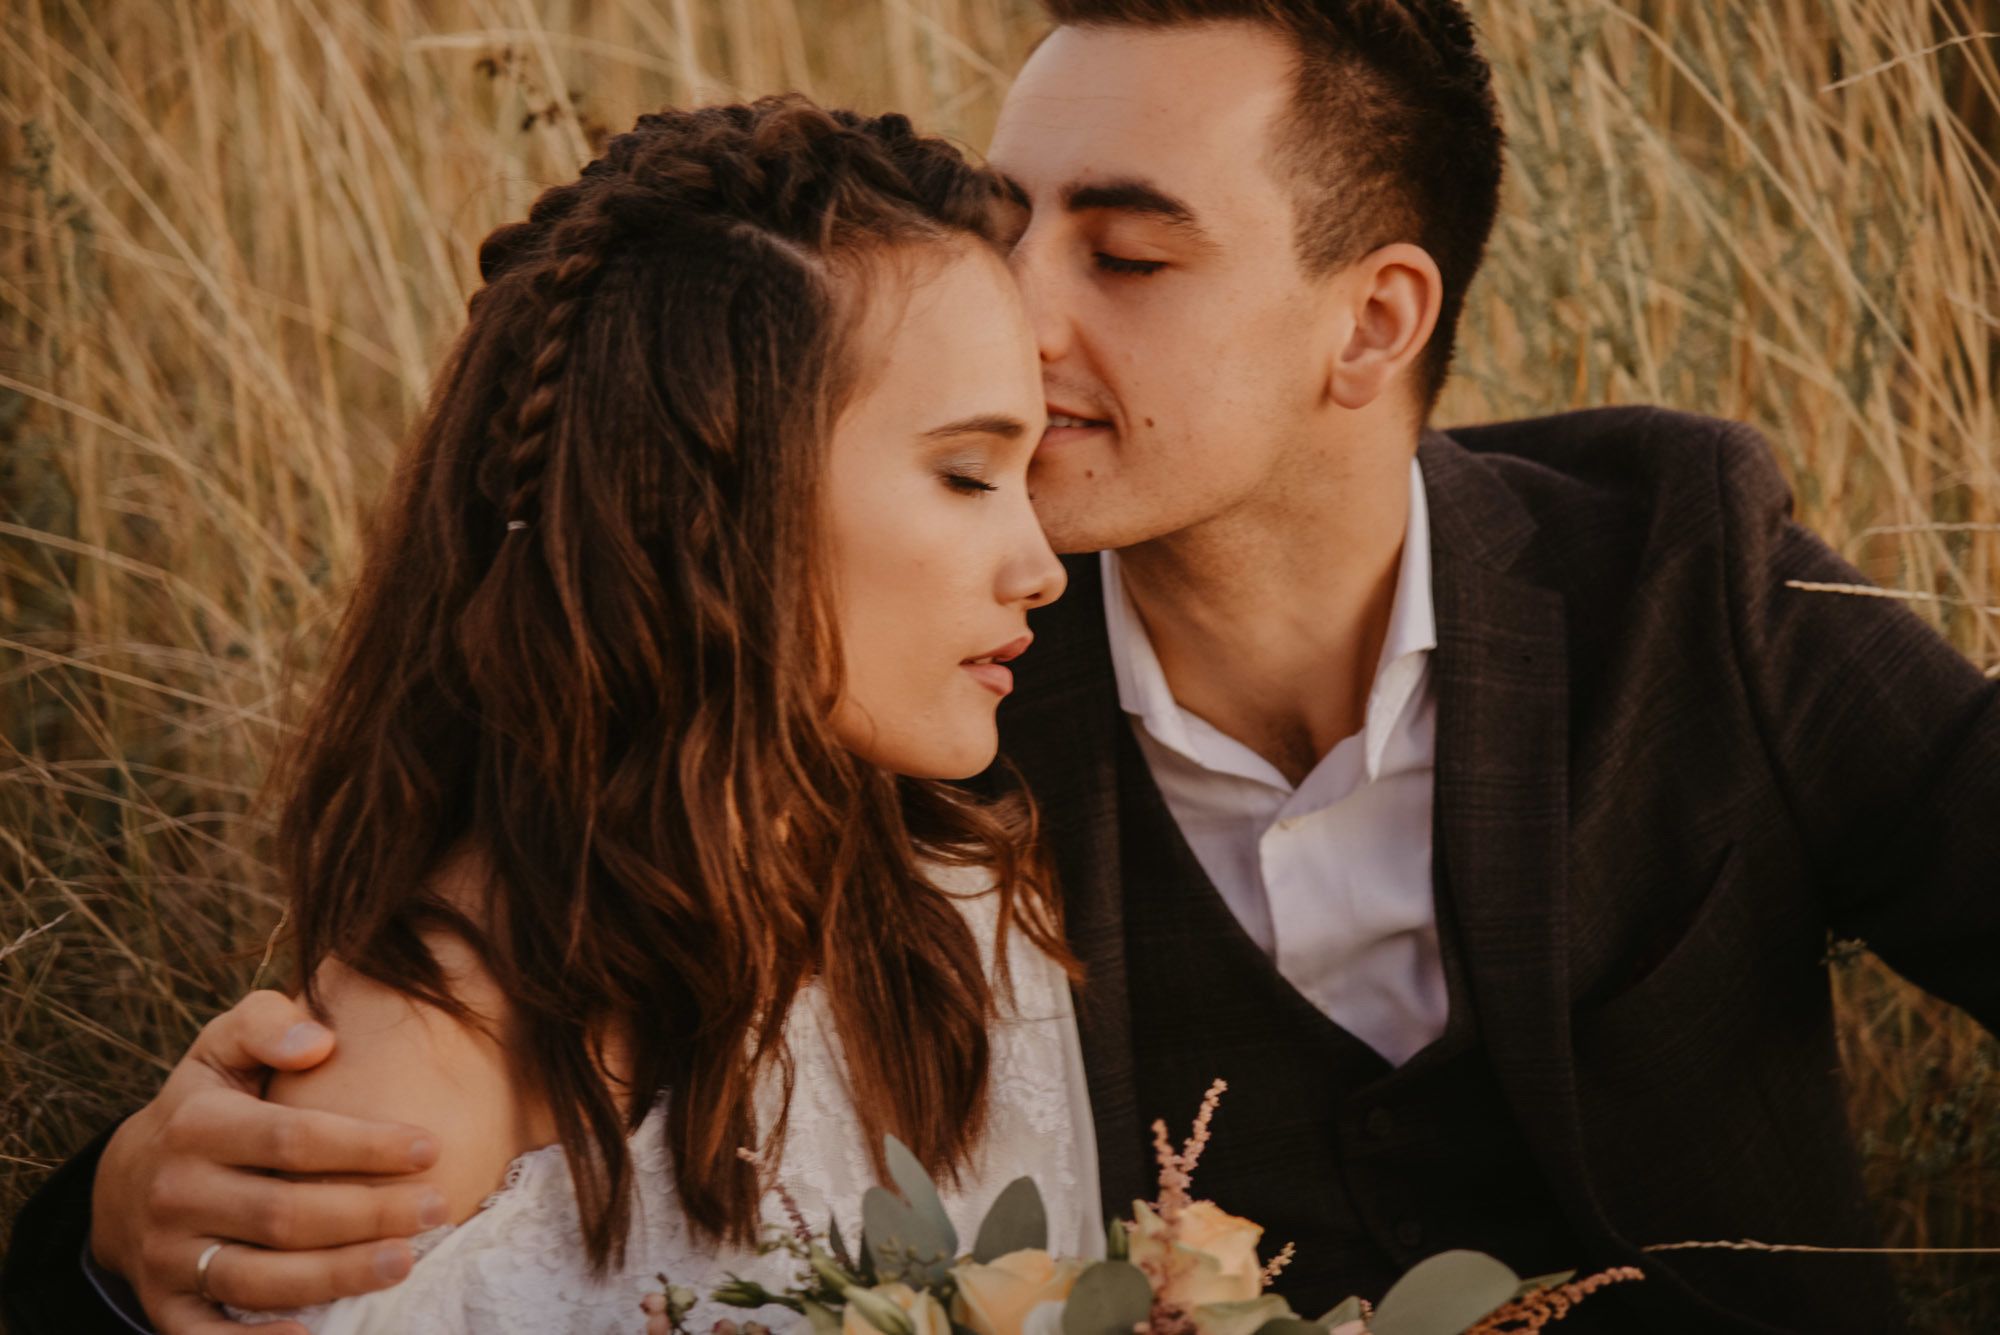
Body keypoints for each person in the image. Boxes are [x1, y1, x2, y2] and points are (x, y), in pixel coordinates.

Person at [10, 1, 2000, 1332]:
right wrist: (116, 1218)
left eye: (1125, 254)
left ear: (1372, 322)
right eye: (1011, 217)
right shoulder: (916, 700)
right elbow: (557, 953)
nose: (1019, 313)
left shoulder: (1673, 570)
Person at [2, 96, 1103, 1334]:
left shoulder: (953, 889)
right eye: (965, 474)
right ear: (703, 506)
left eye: (1027, 474)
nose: (1041, 567)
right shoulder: (422, 1062)